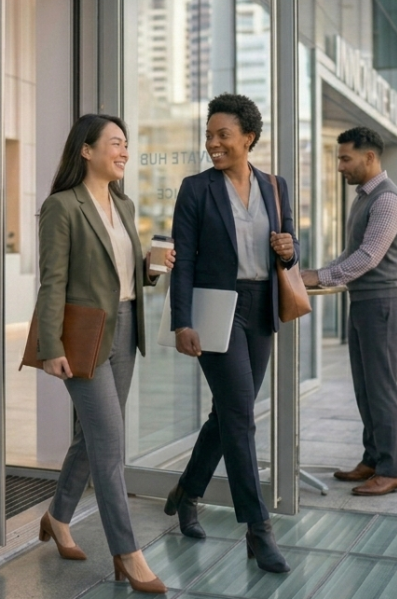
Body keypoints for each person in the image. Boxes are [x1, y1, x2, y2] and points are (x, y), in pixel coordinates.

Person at [36, 114, 175, 594]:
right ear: (86, 150)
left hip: (124, 329)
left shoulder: (124, 204)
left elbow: (120, 272)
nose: (124, 152)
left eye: (126, 144)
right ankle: (127, 552)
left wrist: (151, 270)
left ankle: (57, 517)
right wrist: (49, 347)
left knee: (91, 439)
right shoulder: (61, 207)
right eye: (115, 143)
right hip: (83, 337)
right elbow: (53, 280)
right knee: (110, 446)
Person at [164, 93, 298, 574]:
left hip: (261, 309)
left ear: (249, 138)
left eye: (223, 135)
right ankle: (258, 529)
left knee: (229, 414)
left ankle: (187, 491)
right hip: (217, 309)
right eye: (209, 134)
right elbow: (182, 263)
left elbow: (289, 246)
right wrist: (183, 320)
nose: (213, 143)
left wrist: (289, 248)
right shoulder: (196, 189)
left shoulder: (275, 186)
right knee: (241, 417)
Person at [301, 127, 397, 497]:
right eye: (339, 159)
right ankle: (373, 459)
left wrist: (320, 276)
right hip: (364, 301)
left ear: (370, 157)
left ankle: (391, 470)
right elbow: (351, 254)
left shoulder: (387, 200)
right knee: (365, 388)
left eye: (345, 159)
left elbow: (369, 256)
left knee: (381, 388)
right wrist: (317, 276)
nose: (339, 167)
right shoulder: (363, 198)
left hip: (383, 303)